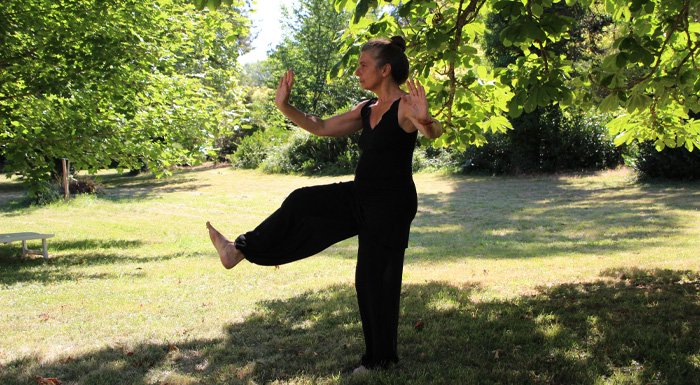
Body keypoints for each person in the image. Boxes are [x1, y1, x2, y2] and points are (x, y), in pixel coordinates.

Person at [206, 35, 442, 374]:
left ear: (385, 69)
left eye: (363, 65)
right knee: (303, 201)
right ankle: (238, 250)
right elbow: (321, 126)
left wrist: (426, 120)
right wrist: (284, 107)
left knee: (374, 279)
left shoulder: (406, 106)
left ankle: (380, 361)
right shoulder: (367, 110)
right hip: (360, 196)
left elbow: (433, 132)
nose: (358, 72)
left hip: (390, 205)